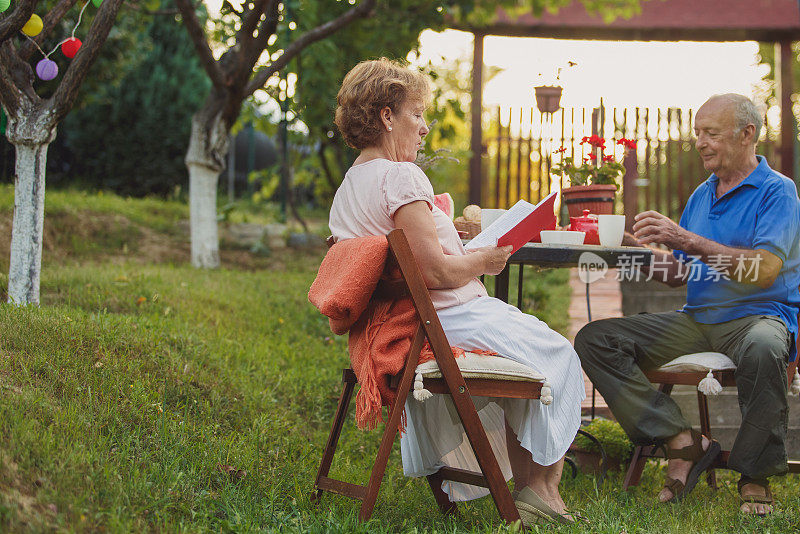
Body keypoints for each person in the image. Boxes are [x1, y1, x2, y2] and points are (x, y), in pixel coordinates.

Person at [327, 58, 586, 525]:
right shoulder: (399, 177)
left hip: (402, 320)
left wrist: (454, 235)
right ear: (388, 116)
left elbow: (408, 256)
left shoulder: (349, 186)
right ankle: (541, 491)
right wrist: (486, 259)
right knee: (560, 355)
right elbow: (436, 274)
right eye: (418, 114)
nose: (424, 127)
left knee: (534, 355)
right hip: (449, 318)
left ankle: (534, 489)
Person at [575, 93, 800, 516]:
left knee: (765, 346)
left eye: (711, 133)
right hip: (697, 319)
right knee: (596, 339)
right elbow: (680, 272)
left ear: (747, 134)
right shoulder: (703, 194)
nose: (700, 142)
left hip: (758, 317)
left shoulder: (777, 192)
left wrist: (686, 239)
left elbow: (766, 269)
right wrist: (628, 248)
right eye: (698, 133)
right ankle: (681, 439)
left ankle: (754, 475)